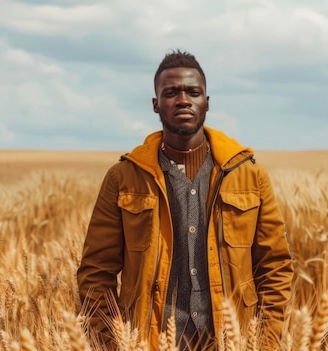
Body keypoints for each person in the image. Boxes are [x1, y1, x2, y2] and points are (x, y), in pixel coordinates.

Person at [77, 50, 293, 351]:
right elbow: (96, 272)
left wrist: (266, 343)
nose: (182, 100)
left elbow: (275, 267)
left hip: (232, 342)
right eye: (171, 92)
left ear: (207, 102)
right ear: (155, 104)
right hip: (148, 341)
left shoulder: (250, 175)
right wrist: (111, 344)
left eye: (193, 92)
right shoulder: (123, 177)